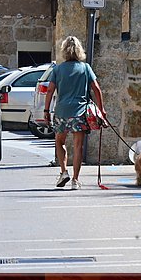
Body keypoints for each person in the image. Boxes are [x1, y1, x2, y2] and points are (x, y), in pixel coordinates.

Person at [42, 35, 107, 190]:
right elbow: (96, 89)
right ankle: (75, 180)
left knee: (59, 141)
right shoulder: (85, 68)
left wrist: (46, 110)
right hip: (79, 112)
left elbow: (50, 90)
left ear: (64, 50)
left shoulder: (58, 69)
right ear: (79, 50)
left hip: (62, 111)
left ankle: (64, 171)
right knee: (78, 146)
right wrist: (101, 109)